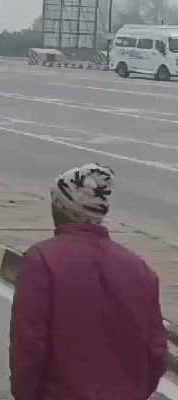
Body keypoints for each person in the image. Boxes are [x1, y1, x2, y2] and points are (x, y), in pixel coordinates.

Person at [10, 164, 167, 400]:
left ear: (61, 209)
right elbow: (156, 354)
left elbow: (29, 347)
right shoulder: (141, 270)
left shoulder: (42, 261)